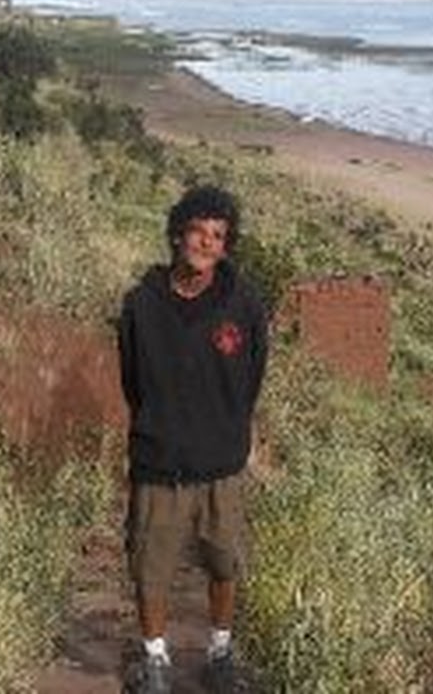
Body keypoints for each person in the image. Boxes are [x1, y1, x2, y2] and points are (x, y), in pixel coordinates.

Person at [118, 185, 268, 694]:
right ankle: (155, 660)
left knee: (225, 562)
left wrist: (226, 430)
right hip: (160, 461)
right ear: (177, 235)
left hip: (221, 463)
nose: (206, 243)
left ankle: (220, 653)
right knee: (151, 567)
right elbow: (133, 382)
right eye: (198, 231)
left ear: (226, 247)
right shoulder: (141, 304)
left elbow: (252, 377)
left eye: (218, 236)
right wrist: (162, 427)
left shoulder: (244, 304)